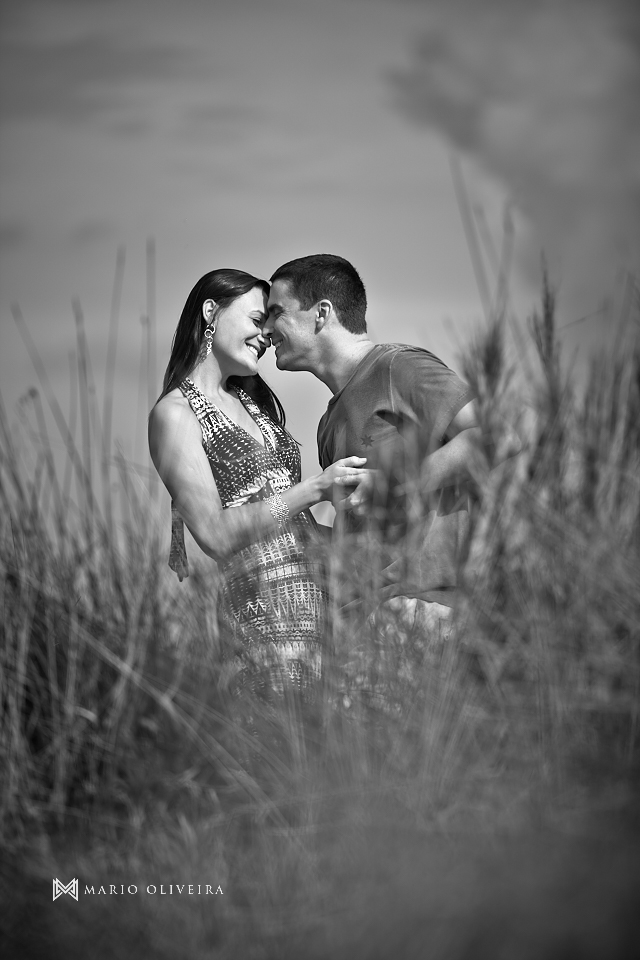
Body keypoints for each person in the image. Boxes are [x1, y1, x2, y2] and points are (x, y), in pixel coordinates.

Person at [148, 268, 366, 704]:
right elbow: (214, 534)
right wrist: (316, 489)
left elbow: (295, 527)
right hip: (265, 624)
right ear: (210, 311)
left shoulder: (254, 403)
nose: (265, 335)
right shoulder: (175, 415)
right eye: (254, 320)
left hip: (326, 611)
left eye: (269, 325)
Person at [263, 253, 508, 628]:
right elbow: (364, 538)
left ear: (321, 313)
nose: (266, 329)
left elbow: (494, 437)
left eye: (276, 312)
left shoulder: (398, 368)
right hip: (360, 622)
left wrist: (393, 482)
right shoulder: (328, 423)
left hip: (416, 611)